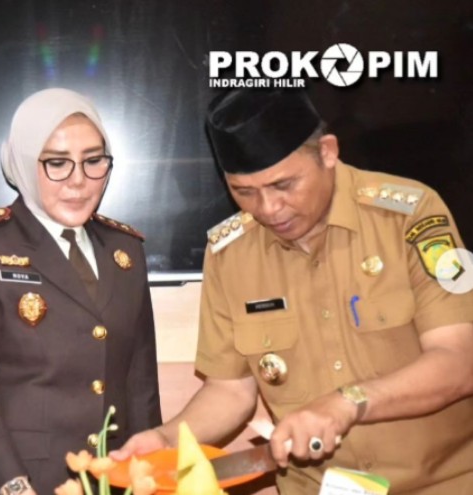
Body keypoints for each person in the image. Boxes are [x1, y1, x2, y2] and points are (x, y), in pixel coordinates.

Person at [111, 88, 473, 494]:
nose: (268, 208)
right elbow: (230, 390)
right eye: (244, 192)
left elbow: (459, 361)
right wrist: (167, 440)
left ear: (328, 153)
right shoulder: (230, 254)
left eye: (284, 185)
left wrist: (347, 403)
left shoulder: (410, 216)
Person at [0, 88, 162, 495]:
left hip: (108, 479)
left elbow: (140, 385)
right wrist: (14, 488)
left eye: (94, 161)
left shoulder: (125, 250)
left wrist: (149, 479)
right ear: (23, 162)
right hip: (11, 482)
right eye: (57, 163)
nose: (79, 180)